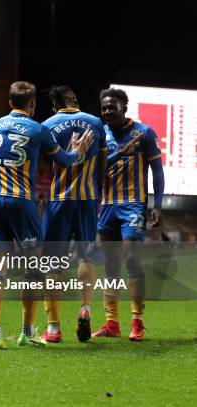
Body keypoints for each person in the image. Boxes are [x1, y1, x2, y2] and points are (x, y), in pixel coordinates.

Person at [0, 81, 93, 349]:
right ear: (32, 104)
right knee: (33, 269)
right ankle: (27, 332)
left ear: (10, 102)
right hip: (21, 201)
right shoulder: (38, 129)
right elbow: (65, 160)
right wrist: (78, 151)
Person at [93, 88, 165, 342]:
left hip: (133, 205)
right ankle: (111, 323)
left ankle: (137, 321)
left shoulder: (144, 133)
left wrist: (157, 205)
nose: (107, 112)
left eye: (112, 107)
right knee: (110, 265)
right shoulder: (101, 134)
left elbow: (157, 171)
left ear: (124, 107)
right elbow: (96, 170)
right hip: (107, 207)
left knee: (132, 258)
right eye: (103, 108)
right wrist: (120, 154)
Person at [40, 86, 108, 342]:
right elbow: (103, 164)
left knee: (52, 263)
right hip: (87, 200)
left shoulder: (46, 125)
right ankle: (85, 307)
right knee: (86, 255)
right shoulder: (96, 123)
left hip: (59, 200)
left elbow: (48, 163)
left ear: (54, 106)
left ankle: (54, 328)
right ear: (76, 100)